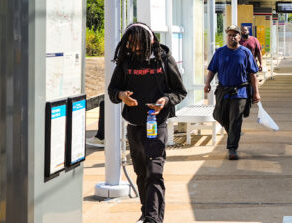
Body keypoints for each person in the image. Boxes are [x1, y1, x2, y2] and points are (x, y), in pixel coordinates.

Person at [108, 22, 187, 223]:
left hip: (156, 124)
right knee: (142, 173)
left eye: (137, 44)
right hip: (134, 126)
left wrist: (166, 100)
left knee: (154, 172)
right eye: (130, 44)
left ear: (149, 41)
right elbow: (112, 91)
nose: (133, 48)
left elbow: (180, 92)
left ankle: (152, 219)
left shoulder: (163, 59)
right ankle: (147, 214)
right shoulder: (126, 62)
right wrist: (121, 95)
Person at [204, 25, 261, 160]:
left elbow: (253, 74)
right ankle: (234, 133)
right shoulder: (220, 52)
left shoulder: (245, 52)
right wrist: (207, 83)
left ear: (239, 37)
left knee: (235, 119)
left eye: (235, 35)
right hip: (223, 90)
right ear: (226, 37)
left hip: (240, 91)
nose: (232, 37)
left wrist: (256, 93)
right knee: (218, 115)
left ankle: (232, 148)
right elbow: (212, 69)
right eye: (229, 35)